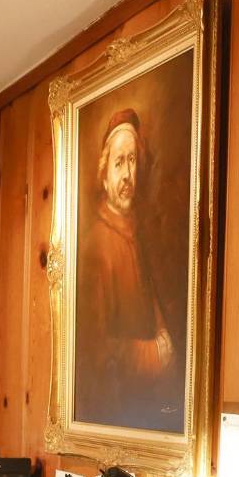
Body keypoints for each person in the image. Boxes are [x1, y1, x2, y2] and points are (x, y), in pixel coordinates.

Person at [75, 108, 183, 433]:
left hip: (149, 406)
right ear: (104, 173)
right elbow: (95, 349)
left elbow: (153, 302)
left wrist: (167, 341)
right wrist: (152, 354)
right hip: (116, 402)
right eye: (119, 163)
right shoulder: (97, 245)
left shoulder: (142, 231)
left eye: (132, 161)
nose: (127, 176)